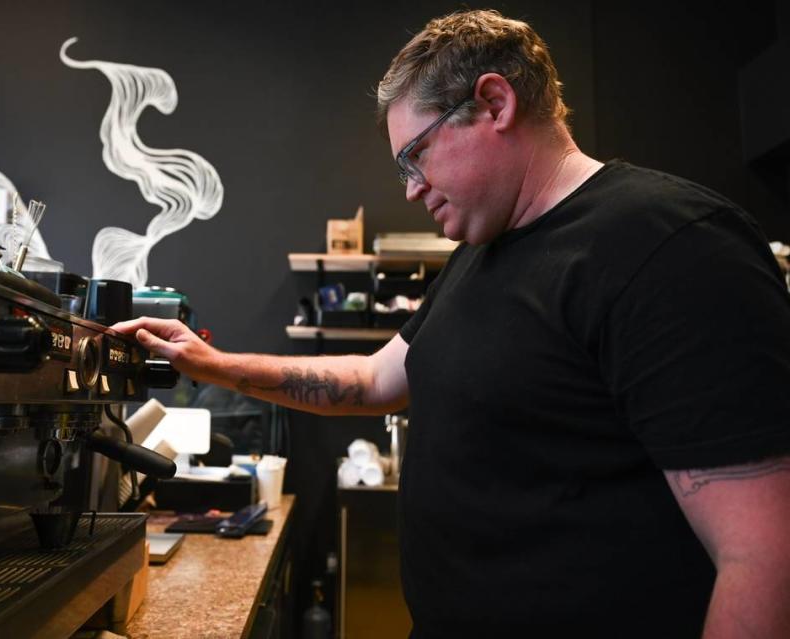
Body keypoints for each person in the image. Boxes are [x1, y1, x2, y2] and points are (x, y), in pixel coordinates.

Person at [113, 9, 790, 638]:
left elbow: (766, 555)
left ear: (495, 104)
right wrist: (213, 364)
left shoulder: (667, 244)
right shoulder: (480, 252)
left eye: (417, 156)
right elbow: (377, 377)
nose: (409, 187)